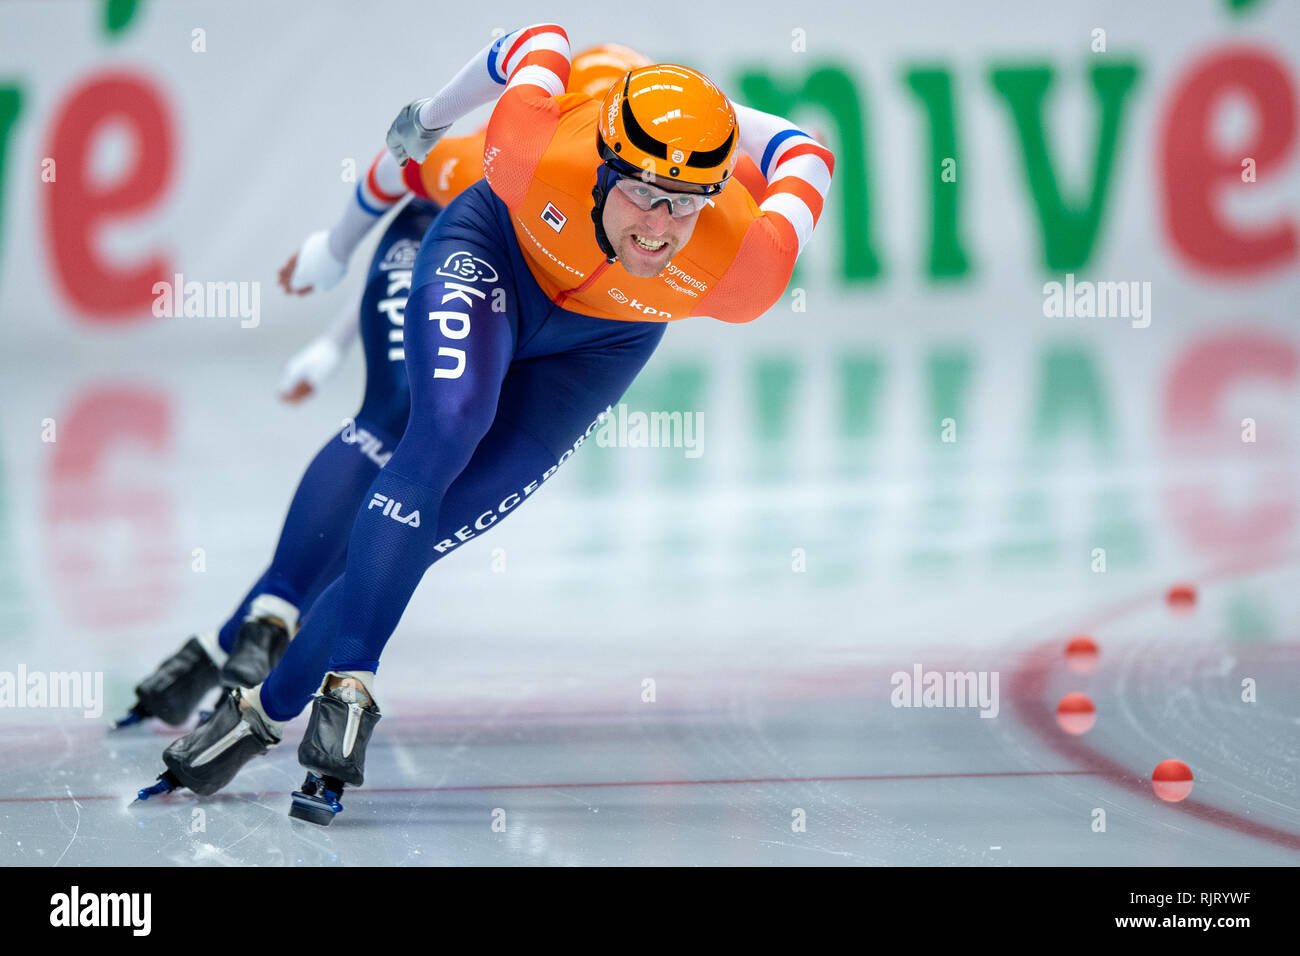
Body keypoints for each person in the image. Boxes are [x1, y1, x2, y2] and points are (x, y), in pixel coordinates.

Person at [138, 23, 834, 825]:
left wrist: (732, 123)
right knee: (445, 428)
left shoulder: (744, 267)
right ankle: (351, 681)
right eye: (643, 190)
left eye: (686, 203)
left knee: (429, 535)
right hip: (492, 252)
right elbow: (530, 45)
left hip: (603, 342)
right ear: (602, 163)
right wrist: (418, 134)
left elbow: (805, 154)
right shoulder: (528, 150)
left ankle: (262, 712)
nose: (658, 226)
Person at [116, 44, 658, 731]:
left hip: (518, 298)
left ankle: (243, 633)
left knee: (415, 489)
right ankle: (270, 615)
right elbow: (399, 173)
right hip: (434, 232)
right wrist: (336, 256)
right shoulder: (523, 156)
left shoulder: (641, 214)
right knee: (406, 418)